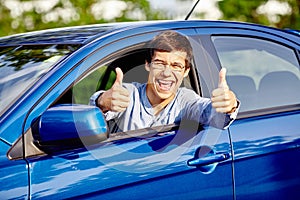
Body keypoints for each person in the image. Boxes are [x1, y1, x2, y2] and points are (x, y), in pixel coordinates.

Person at [90, 30, 239, 133]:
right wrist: (102, 102)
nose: (167, 73)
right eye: (160, 63)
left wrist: (228, 105)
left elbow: (210, 113)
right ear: (148, 65)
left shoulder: (186, 100)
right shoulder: (129, 93)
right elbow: (95, 113)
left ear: (185, 72)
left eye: (176, 66)